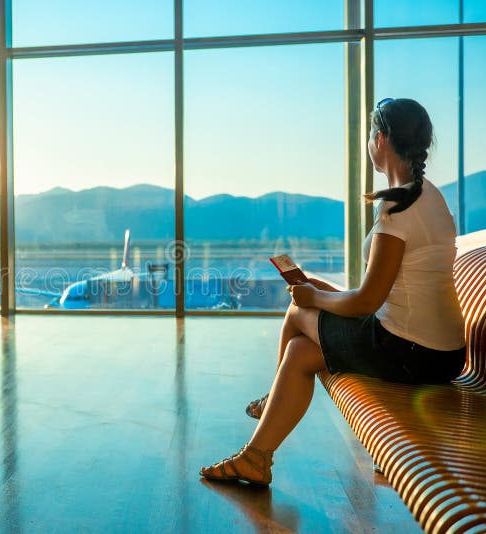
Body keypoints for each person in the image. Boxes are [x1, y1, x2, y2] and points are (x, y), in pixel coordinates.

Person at [199, 98, 467, 487]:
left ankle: (269, 403)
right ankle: (256, 456)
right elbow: (386, 291)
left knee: (297, 313)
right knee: (301, 352)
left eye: (371, 138)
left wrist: (314, 299)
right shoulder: (430, 197)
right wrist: (326, 292)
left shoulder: (396, 207)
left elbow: (369, 302)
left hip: (412, 353)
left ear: (381, 139)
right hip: (441, 353)